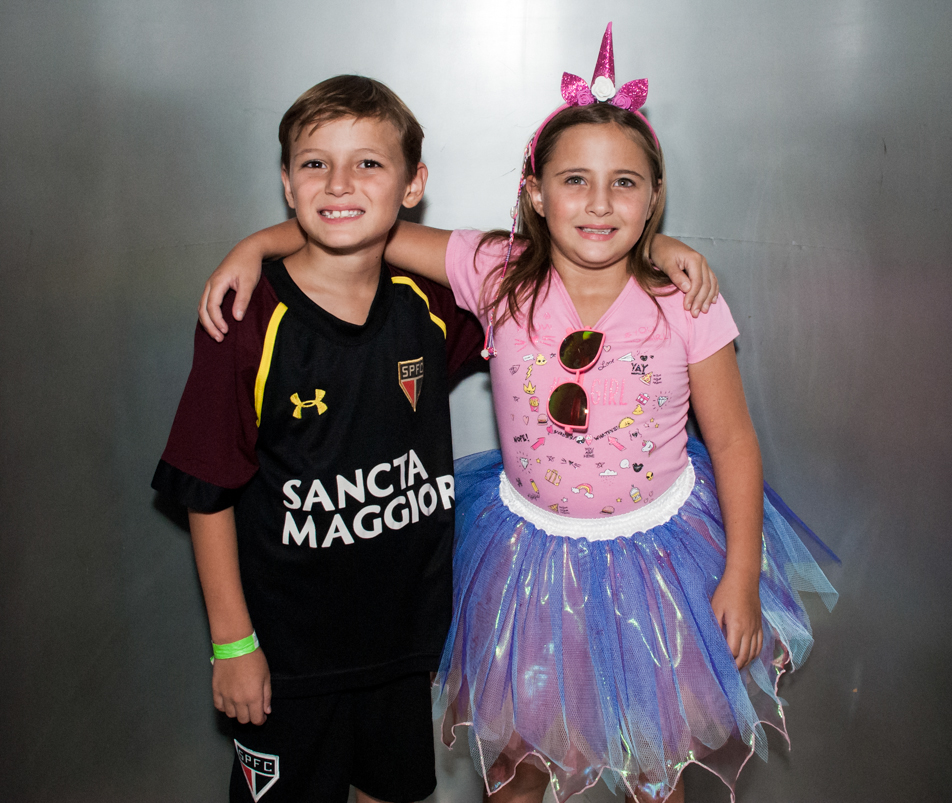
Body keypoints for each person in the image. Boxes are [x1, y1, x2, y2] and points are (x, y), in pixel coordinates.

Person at [199, 26, 837, 803]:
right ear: (535, 191)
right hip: (529, 566)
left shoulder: (685, 299)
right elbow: (367, 226)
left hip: (662, 565)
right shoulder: (496, 272)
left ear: (653, 199)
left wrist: (739, 570)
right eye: (575, 180)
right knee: (519, 760)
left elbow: (732, 439)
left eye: (625, 184)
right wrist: (256, 244)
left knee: (653, 765)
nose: (599, 202)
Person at [152, 75, 483, 803]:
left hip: (403, 645)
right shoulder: (246, 317)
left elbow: (540, 266)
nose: (339, 182)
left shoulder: (429, 303)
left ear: (412, 184)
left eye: (369, 162)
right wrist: (234, 644)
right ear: (286, 180)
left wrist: (658, 251)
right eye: (314, 163)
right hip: (285, 658)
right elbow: (206, 491)